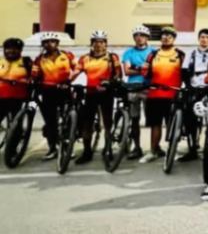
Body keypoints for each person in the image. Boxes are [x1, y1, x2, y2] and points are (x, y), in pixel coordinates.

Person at [71, 30, 122, 164]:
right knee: (87, 124)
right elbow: (75, 72)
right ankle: (87, 151)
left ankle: (108, 148)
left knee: (107, 123)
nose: (98, 45)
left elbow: (118, 74)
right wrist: (67, 81)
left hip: (106, 93)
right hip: (91, 93)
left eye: (101, 42)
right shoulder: (85, 58)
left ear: (106, 44)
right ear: (91, 44)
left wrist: (110, 82)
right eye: (96, 42)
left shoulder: (112, 57)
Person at [140, 27, 185, 164]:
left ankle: (172, 150)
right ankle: (153, 151)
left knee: (172, 125)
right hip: (155, 94)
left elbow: (184, 73)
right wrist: (144, 69)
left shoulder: (180, 54)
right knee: (155, 124)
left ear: (174, 39)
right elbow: (145, 72)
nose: (166, 38)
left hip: (173, 95)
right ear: (160, 38)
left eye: (169, 36)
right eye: (164, 35)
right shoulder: (152, 54)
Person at [32, 31, 75, 161]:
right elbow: (35, 74)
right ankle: (52, 148)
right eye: (46, 42)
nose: (49, 44)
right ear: (43, 44)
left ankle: (67, 146)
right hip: (48, 92)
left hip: (65, 90)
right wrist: (35, 81)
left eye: (52, 41)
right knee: (50, 122)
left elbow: (77, 70)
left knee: (67, 120)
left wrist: (69, 81)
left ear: (57, 43)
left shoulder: (67, 55)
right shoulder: (39, 59)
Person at [180, 28, 208, 162]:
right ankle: (192, 148)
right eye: (202, 37)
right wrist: (188, 86)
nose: (205, 39)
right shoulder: (191, 53)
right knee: (190, 116)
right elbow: (184, 71)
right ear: (198, 38)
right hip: (194, 87)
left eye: (207, 37)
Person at [122, 25, 154, 160]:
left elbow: (154, 69)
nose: (139, 38)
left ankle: (154, 147)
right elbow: (127, 71)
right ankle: (137, 147)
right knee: (134, 119)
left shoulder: (153, 52)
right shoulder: (128, 52)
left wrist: (137, 68)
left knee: (152, 120)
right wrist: (143, 69)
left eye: (142, 35)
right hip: (133, 87)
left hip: (148, 87)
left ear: (147, 38)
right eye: (137, 35)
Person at [0, 38, 32, 132]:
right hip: (1, 96)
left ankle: (13, 143)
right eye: (8, 48)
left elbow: (34, 77)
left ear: (20, 50)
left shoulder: (26, 62)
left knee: (16, 124)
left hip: (18, 97)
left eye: (15, 49)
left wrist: (27, 81)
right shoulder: (1, 61)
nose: (11, 51)